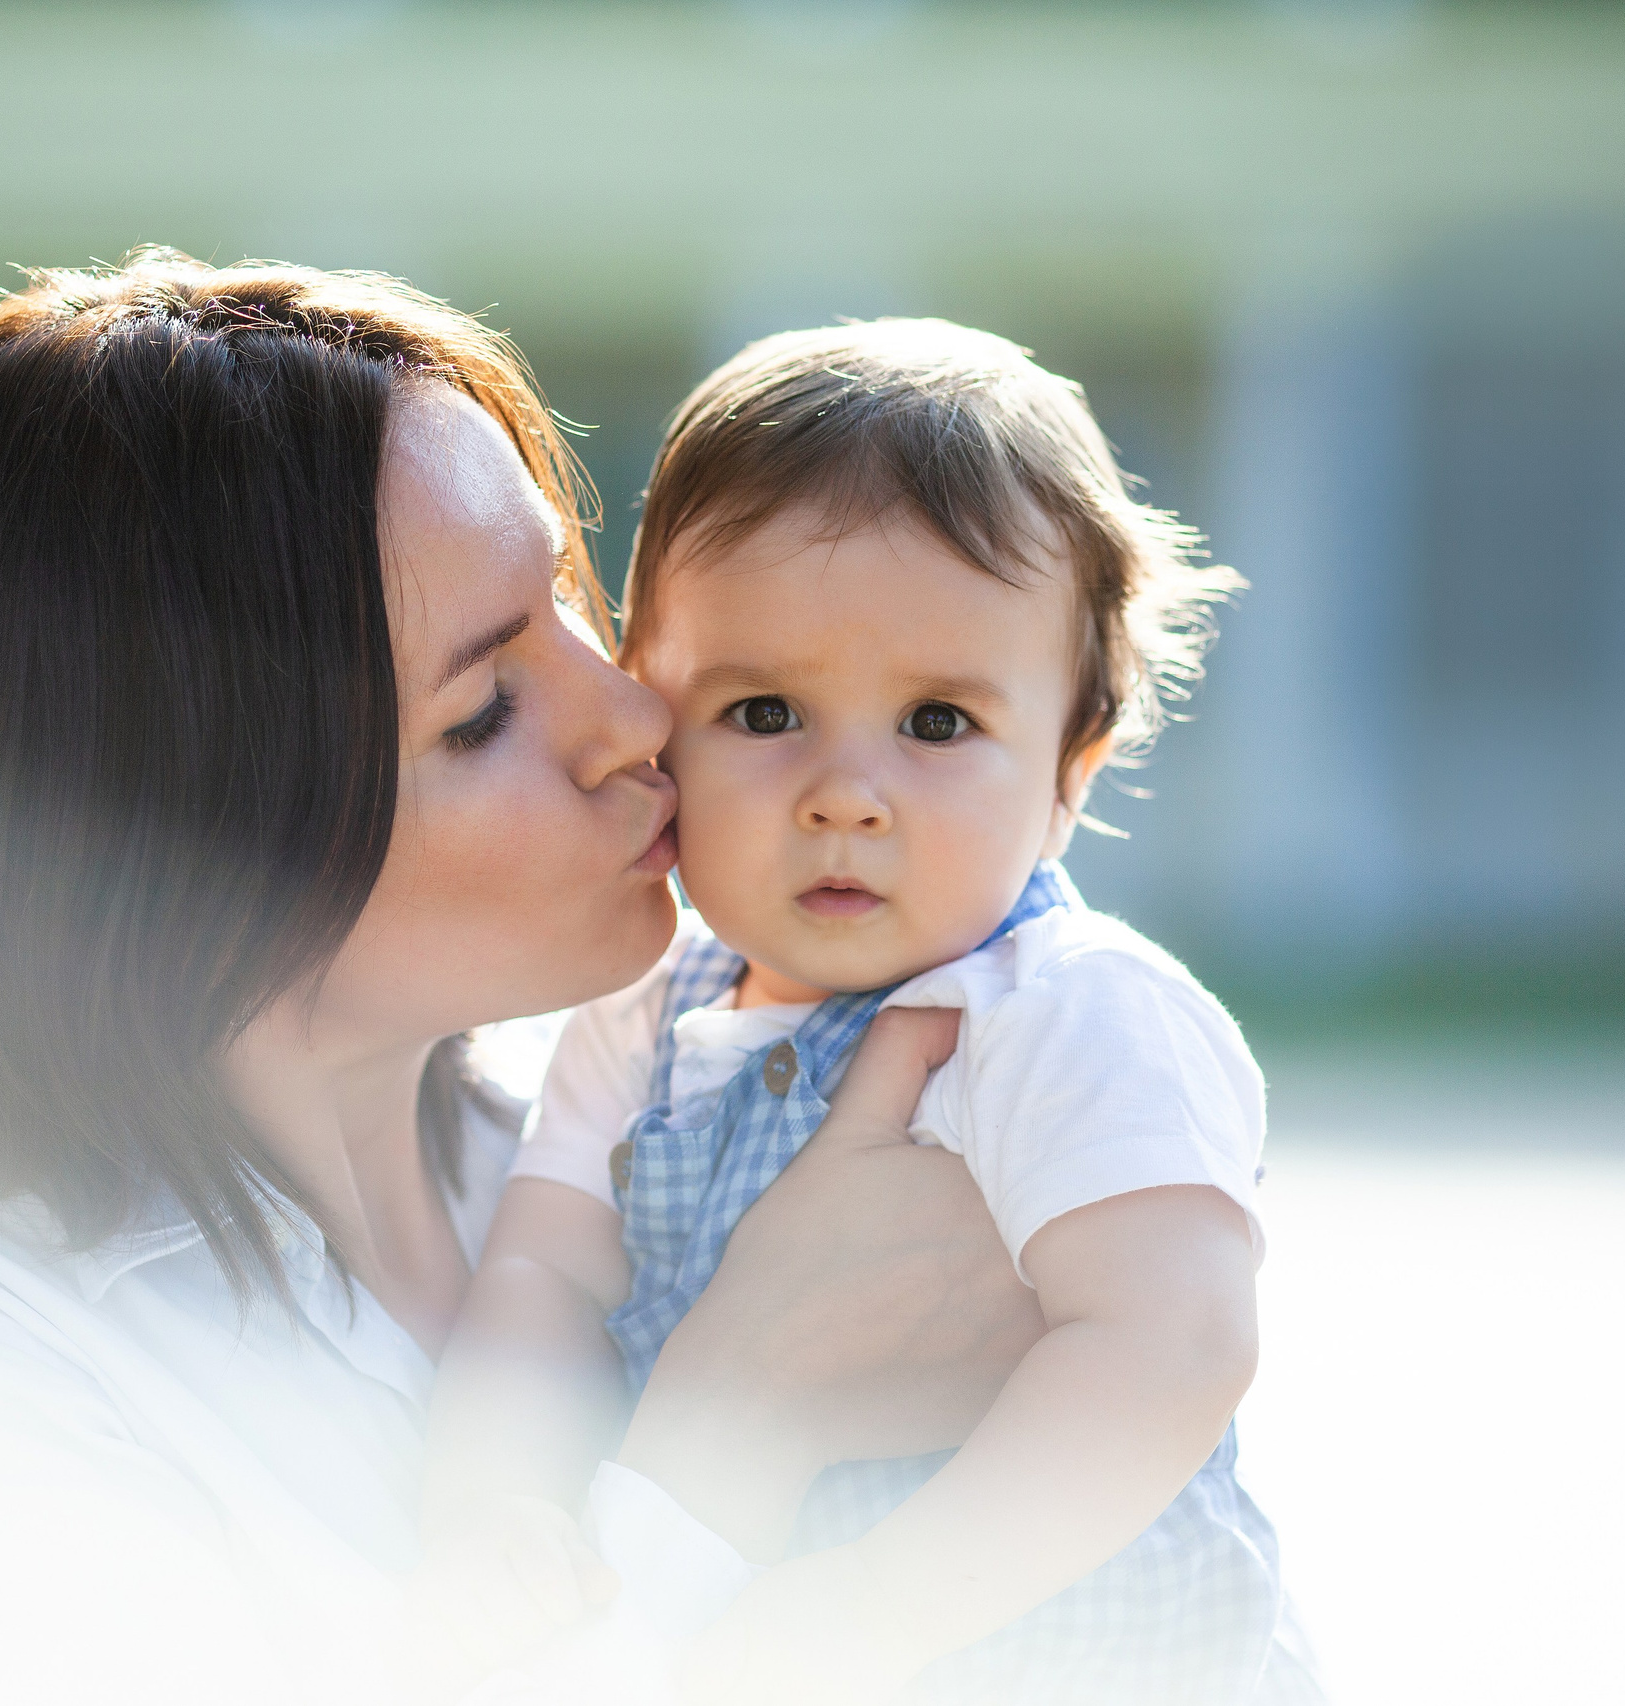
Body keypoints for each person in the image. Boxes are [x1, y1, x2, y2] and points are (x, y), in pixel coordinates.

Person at [0, 256, 1050, 1705]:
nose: (635, 715)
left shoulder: (645, 1158)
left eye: (574, 603)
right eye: (487, 707)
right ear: (175, 830)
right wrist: (737, 1424)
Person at [425, 321, 1324, 1703]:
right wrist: (496, 1500)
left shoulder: (1071, 1014)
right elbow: (541, 1278)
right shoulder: (639, 1023)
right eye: (767, 709)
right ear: (655, 710)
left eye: (939, 723)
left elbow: (1175, 1342)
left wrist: (884, 1604)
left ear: (1072, 765)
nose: (846, 791)